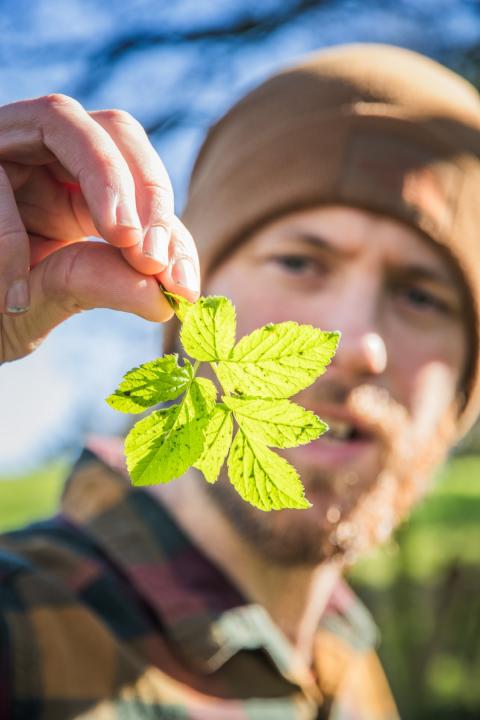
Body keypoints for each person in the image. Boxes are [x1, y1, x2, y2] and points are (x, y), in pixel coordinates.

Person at [1, 42, 480, 719]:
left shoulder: (352, 671)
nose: (358, 345)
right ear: (182, 291)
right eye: (300, 261)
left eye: (422, 296)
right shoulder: (18, 629)